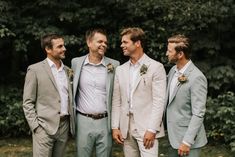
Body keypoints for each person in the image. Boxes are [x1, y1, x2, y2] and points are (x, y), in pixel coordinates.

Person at [112, 27, 166, 157]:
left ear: (137, 43)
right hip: (126, 128)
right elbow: (116, 100)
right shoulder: (120, 70)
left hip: (147, 128)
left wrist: (152, 129)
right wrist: (115, 127)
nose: (121, 45)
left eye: (125, 42)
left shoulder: (156, 67)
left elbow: (159, 101)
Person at [23, 34, 75, 157]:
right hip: (43, 127)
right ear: (48, 49)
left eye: (64, 45)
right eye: (60, 46)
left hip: (64, 127)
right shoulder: (35, 70)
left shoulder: (68, 71)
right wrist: (36, 127)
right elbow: (27, 102)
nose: (64, 49)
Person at [71, 28, 120, 157]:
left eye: (105, 42)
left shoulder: (114, 65)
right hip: (83, 120)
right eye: (100, 41)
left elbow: (117, 96)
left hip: (105, 121)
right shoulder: (76, 63)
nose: (104, 45)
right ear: (89, 42)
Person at [165, 34, 207, 157]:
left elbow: (198, 113)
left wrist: (187, 141)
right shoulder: (173, 71)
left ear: (180, 54)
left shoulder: (197, 77)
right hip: (172, 137)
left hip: (188, 142)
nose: (166, 54)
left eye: (169, 51)